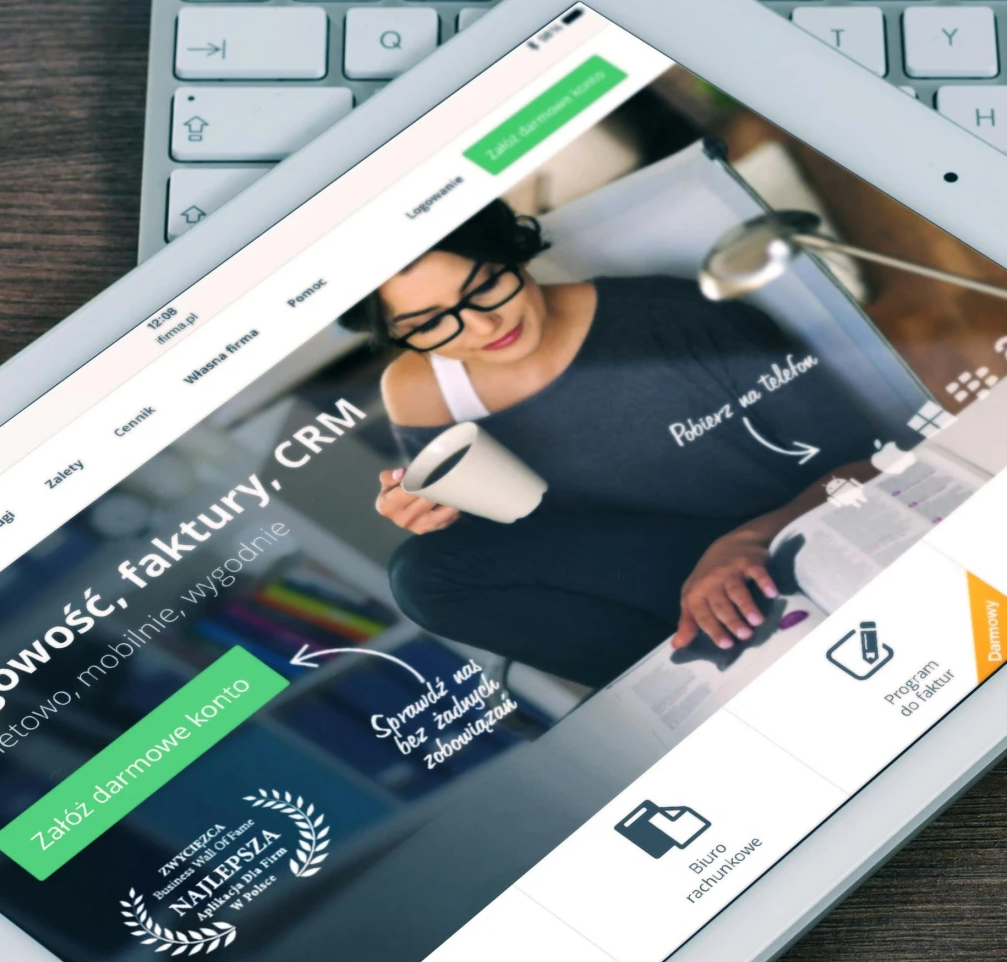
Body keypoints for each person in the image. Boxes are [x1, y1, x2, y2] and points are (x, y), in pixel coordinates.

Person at [359, 199, 883, 686]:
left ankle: (738, 663)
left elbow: (868, 465)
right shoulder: (422, 386)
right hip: (652, 575)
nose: (480, 325)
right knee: (423, 575)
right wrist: (435, 511)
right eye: (428, 323)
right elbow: (520, 540)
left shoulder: (677, 316)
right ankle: (699, 687)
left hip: (780, 538)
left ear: (510, 252)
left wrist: (747, 539)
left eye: (484, 286)